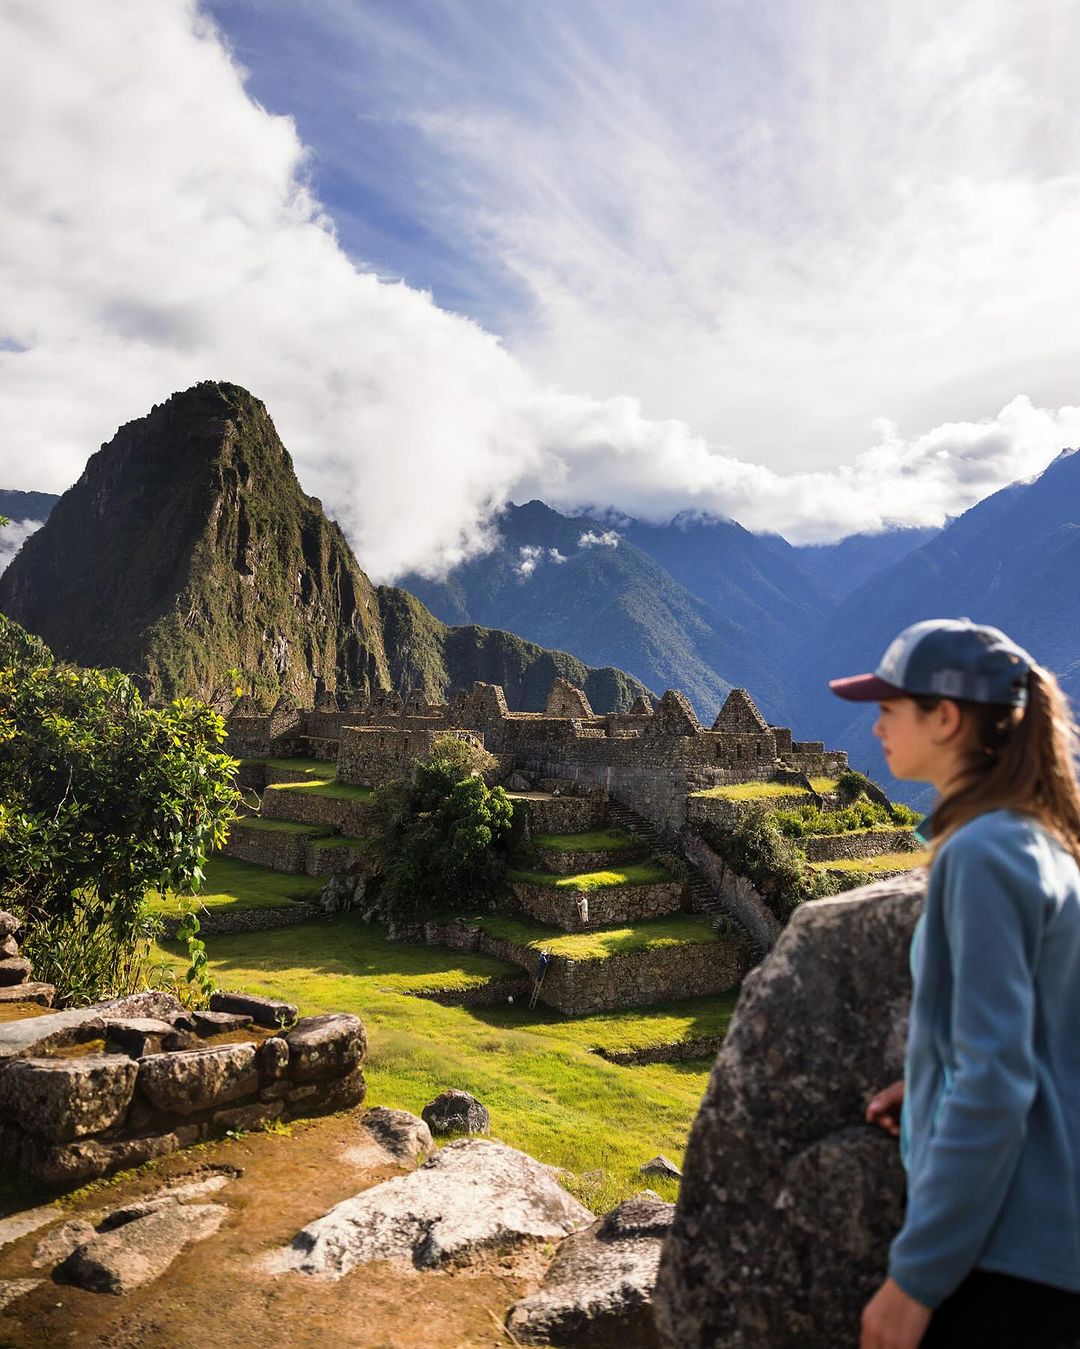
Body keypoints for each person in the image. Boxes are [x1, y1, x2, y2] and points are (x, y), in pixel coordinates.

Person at [829, 618, 1080, 1349]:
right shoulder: (1042, 842)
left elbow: (995, 1081)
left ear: (945, 718)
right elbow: (1045, 1034)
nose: (876, 727)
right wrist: (931, 1078)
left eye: (889, 708)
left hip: (1006, 1257)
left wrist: (914, 1281)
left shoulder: (981, 854)